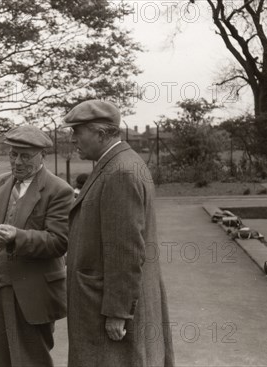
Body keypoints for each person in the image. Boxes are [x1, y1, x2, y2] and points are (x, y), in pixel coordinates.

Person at [62, 100, 174, 367]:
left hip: (105, 304)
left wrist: (118, 312)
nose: (72, 138)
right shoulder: (119, 163)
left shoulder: (119, 173)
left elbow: (125, 250)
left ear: (101, 133)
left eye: (77, 131)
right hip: (106, 299)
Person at [0, 125, 73, 367]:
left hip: (31, 291)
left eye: (25, 156)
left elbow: (59, 242)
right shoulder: (1, 182)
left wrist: (18, 236)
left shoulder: (60, 190)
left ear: (42, 157)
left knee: (30, 359)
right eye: (13, 154)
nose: (17, 162)